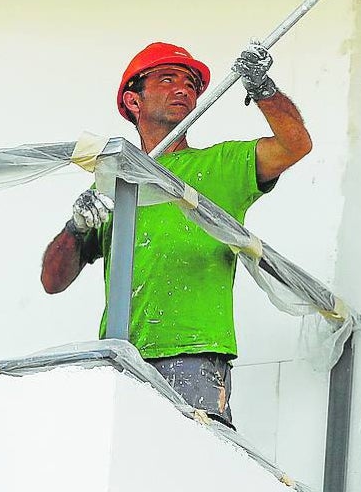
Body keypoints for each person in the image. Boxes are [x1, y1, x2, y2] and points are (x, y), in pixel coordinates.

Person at [40, 41, 312, 427]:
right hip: (119, 355)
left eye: (190, 84)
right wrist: (76, 226)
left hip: (194, 356)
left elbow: (294, 144)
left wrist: (261, 86)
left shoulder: (219, 165)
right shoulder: (118, 184)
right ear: (134, 102)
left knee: (189, 466)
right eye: (168, 79)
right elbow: (52, 281)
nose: (184, 89)